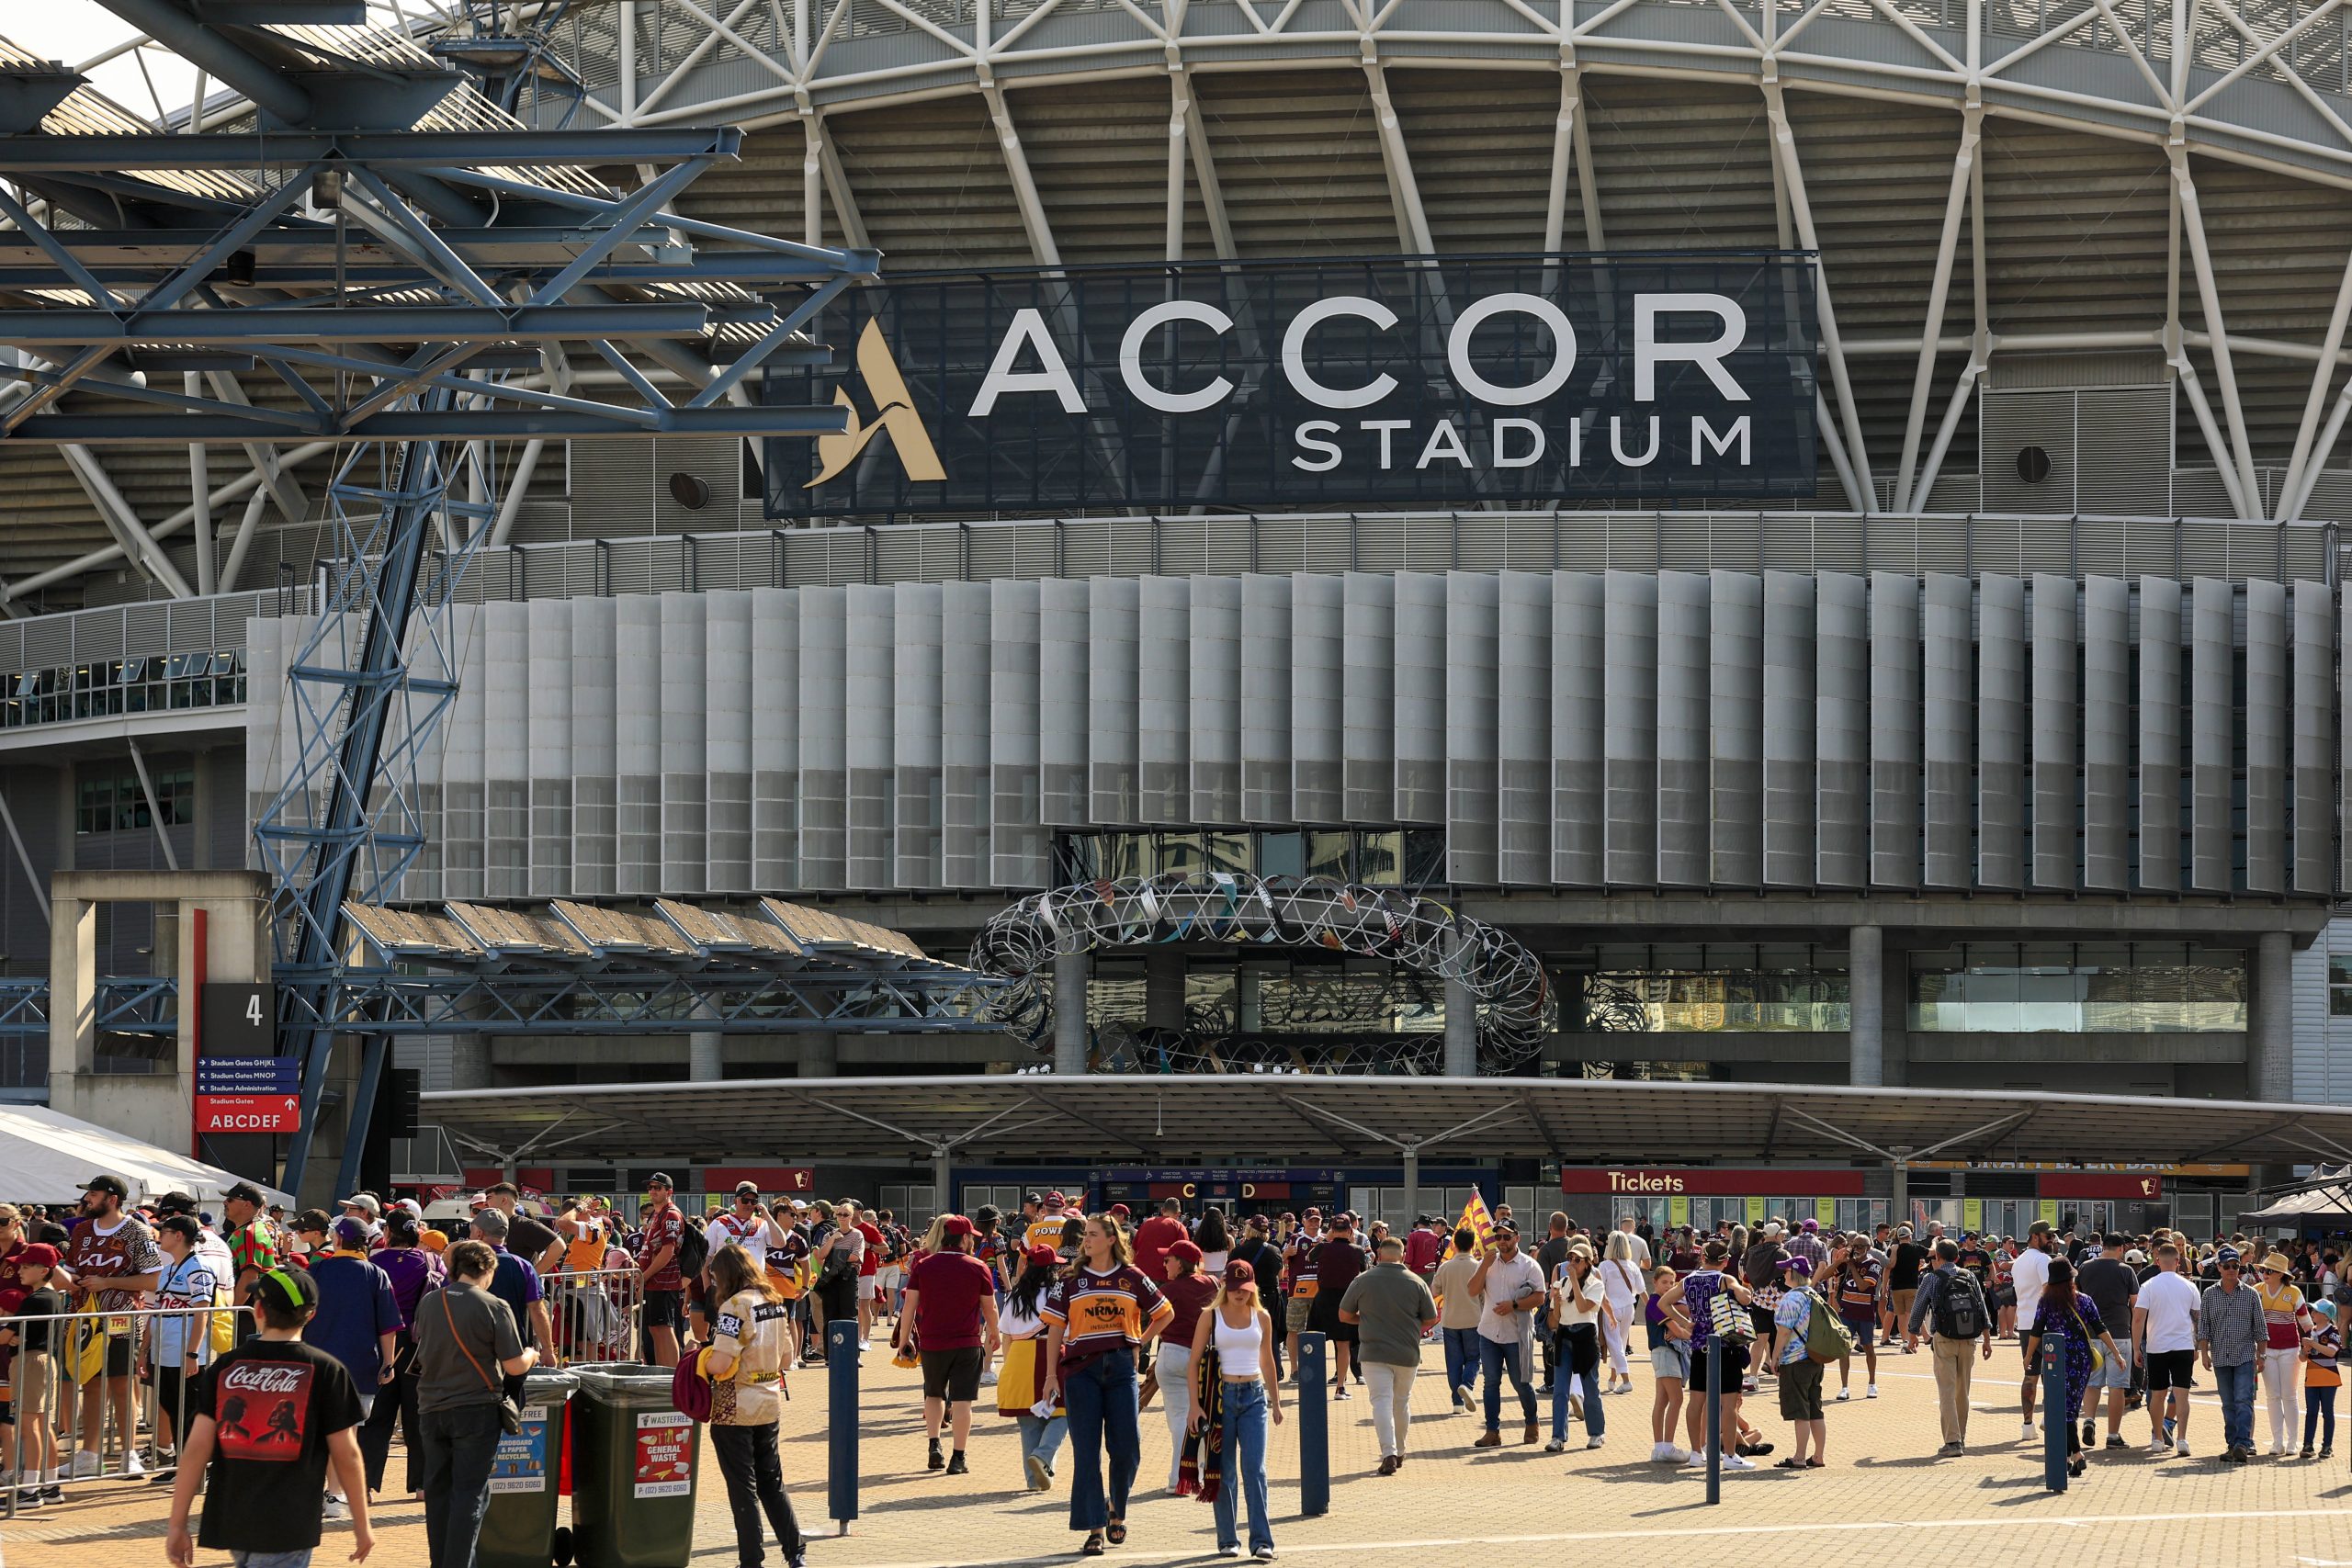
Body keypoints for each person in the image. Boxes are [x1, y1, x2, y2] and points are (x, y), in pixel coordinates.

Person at [164, 1267, 373, 1568]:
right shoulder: (327, 1370)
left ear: (258, 1309)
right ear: (311, 1315)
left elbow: (196, 1449)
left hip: (233, 1514)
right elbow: (347, 1454)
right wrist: (362, 1523)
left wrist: (177, 1523)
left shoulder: (226, 1366)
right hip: (290, 1518)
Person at [1042, 1214, 1171, 1557]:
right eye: (1085, 1234)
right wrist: (1050, 1376)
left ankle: (1117, 1506)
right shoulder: (1070, 1277)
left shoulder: (1132, 1276)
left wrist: (1140, 1342)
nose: (1086, 1240)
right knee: (1086, 1453)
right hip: (1080, 1371)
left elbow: (1165, 1312)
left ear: (1112, 1239)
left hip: (1120, 1370)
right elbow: (1055, 1327)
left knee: (1128, 1447)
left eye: (1093, 1234)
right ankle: (1095, 1528)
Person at [413, 1239, 538, 1568]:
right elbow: (513, 1365)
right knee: (469, 1495)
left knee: (438, 1494)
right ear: (487, 1269)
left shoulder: (429, 1302)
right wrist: (532, 1354)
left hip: (431, 1407)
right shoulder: (494, 1305)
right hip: (475, 1409)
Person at [699, 1243, 804, 1568]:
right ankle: (795, 1551)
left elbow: (719, 1363)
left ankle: (751, 1559)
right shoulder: (774, 1303)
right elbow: (787, 1357)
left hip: (734, 1406)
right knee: (772, 1482)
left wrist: (699, 1357)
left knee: (742, 1487)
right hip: (769, 1401)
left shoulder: (734, 1307)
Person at [65, 1171, 165, 1476]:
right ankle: (89, 1453)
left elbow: (152, 1278)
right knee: (91, 1385)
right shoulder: (82, 1230)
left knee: (122, 1384)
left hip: (122, 1318)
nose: (87, 1199)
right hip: (85, 1319)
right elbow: (70, 1270)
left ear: (111, 1199)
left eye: (93, 1194)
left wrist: (106, 1281)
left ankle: (129, 1453)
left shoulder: (137, 1231)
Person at [305, 1216, 401, 1517]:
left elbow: (299, 1313)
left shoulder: (317, 1269)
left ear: (336, 1240)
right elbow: (388, 1327)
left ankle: (312, 1496)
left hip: (316, 1364)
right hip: (360, 1366)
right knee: (347, 1433)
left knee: (317, 1432)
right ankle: (335, 1496)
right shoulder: (376, 1274)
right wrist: (389, 1363)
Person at [1185, 1258, 1281, 1561]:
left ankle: (1262, 1541)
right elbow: (1194, 1363)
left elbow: (1268, 1361)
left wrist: (1275, 1401)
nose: (1239, 1294)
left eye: (1245, 1289)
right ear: (1226, 1285)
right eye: (1235, 1288)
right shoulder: (1210, 1316)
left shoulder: (1261, 1316)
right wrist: (1194, 1406)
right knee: (1223, 1471)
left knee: (1255, 1470)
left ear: (1252, 1288)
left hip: (1253, 1396)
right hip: (1219, 1399)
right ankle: (1227, 1539)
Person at [902, 1213, 1001, 1476]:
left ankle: (934, 1445)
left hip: (933, 1341)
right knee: (962, 1401)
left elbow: (909, 1306)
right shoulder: (977, 1266)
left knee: (933, 1394)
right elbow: (989, 1307)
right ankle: (958, 1457)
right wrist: (995, 1333)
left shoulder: (924, 1265)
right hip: (967, 1342)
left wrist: (904, 1341)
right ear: (965, 1238)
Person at [362, 1209, 446, 1498]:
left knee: (377, 1416)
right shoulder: (431, 1261)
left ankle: (367, 1483)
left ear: (388, 1234)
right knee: (418, 1413)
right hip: (419, 1345)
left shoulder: (373, 1263)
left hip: (380, 1342)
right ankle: (422, 1484)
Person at [1337, 1233, 1437, 1473]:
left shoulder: (1363, 1280)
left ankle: (1388, 1452)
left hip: (1373, 1350)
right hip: (1407, 1352)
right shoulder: (1417, 1281)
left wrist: (1366, 1319)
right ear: (1403, 1256)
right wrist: (1413, 1328)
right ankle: (1401, 1451)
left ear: (1379, 1254)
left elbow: (1344, 1315)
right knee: (1401, 1402)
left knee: (1381, 1401)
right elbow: (1432, 1318)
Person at [1655, 1239, 1758, 1469]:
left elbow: (1664, 1303)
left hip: (1700, 1346)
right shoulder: (1724, 1278)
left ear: (1703, 1259)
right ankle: (1730, 1455)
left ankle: (1695, 1452)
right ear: (1725, 1261)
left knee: (1696, 1401)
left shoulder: (1690, 1280)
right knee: (1729, 1403)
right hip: (1726, 1345)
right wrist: (1742, 1290)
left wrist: (1687, 1323)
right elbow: (1744, 1297)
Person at [2022, 1257, 2123, 1479]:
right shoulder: (2085, 1300)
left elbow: (2037, 1330)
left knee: (2061, 1409)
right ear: (2071, 1279)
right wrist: (2115, 1353)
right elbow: (2099, 1327)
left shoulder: (2046, 1302)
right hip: (2081, 1358)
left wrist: (2028, 1356)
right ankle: (2068, 1457)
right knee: (2071, 1408)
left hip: (2056, 1358)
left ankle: (2076, 1454)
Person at [150, 1214, 221, 1477]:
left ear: (178, 1236)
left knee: (190, 1409)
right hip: (163, 1349)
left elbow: (202, 1312)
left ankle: (199, 1464)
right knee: (172, 1406)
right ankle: (184, 1462)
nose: (159, 1236)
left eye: (164, 1231)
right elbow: (156, 1310)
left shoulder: (199, 1267)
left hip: (184, 1352)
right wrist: (145, 1350)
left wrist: (192, 1353)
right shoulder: (168, 1268)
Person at [1909, 1237, 1996, 1455]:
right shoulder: (1968, 1275)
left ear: (1936, 1257)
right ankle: (1962, 1437)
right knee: (1962, 1391)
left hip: (1944, 1338)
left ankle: (1952, 1442)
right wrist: (1986, 1338)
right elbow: (1981, 1307)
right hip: (1969, 1339)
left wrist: (1913, 1334)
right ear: (1958, 1257)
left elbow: (1918, 1309)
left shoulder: (1931, 1278)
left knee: (1946, 1391)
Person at [1468, 1223, 1545, 1448]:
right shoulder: (1488, 1263)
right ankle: (1492, 1431)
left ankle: (1532, 1422)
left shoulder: (1529, 1265)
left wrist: (1514, 1304)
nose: (1501, 1241)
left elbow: (1540, 1297)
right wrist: (1484, 1265)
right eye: (1498, 1237)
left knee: (1521, 1383)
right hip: (1489, 1332)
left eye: (1506, 1236)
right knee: (1491, 1383)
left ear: (1517, 1238)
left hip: (1516, 1334)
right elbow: (1472, 1290)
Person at [1000, 1245, 1069, 1492]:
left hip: (1019, 1356)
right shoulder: (1059, 1293)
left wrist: (1009, 1365)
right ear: (1052, 1268)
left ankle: (1033, 1480)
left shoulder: (1015, 1295)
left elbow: (1006, 1336)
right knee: (1065, 1412)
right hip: (1052, 1355)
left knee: (1028, 1423)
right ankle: (1043, 1455)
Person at [1148, 1239, 1216, 1490]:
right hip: (1205, 1357)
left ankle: (1181, 1478)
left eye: (1169, 1259)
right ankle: (1195, 1472)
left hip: (1174, 1353)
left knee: (1179, 1419)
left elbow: (1153, 1319)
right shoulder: (1212, 1283)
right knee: (1198, 1416)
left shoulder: (1168, 1289)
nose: (1165, 1263)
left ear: (1181, 1263)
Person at [6, 1243, 62, 1506]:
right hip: (43, 1361)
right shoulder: (51, 1296)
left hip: (31, 1362)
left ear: (44, 1270)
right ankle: (50, 1485)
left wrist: (10, 1335)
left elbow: (6, 1335)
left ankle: (29, 1489)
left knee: (29, 1427)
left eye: (27, 1266)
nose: (20, 1270)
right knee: (42, 1425)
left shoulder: (36, 1299)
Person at [2133, 1241, 2201, 1457]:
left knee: (2158, 1395)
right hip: (2183, 1345)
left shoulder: (2149, 1286)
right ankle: (2182, 1438)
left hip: (2157, 1346)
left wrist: (2136, 1347)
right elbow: (2198, 1318)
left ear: (2157, 1261)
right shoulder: (2189, 1286)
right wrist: (2197, 1345)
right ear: (2178, 1261)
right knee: (2182, 1396)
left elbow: (2138, 1318)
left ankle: (2157, 1438)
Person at [2074, 1233, 2140, 1453]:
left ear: (2102, 1246)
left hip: (2091, 1333)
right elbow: (2134, 1303)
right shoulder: (2126, 1270)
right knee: (2117, 1386)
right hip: (2119, 1332)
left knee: (2092, 1383)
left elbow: (2078, 1297)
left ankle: (2089, 1420)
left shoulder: (2085, 1268)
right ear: (2121, 1249)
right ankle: (2113, 1435)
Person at [2200, 1247, 2265, 1463]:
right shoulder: (2209, 1294)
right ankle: (2232, 1444)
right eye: (2226, 1266)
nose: (2231, 1270)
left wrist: (2261, 1355)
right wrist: (2204, 1353)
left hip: (2245, 1356)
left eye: (2235, 1266)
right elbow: (2204, 1326)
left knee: (2243, 1400)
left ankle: (2243, 1444)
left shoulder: (2251, 1294)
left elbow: (2261, 1329)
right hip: (2220, 1356)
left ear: (2240, 1267)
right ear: (2218, 1267)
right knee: (2228, 1403)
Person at [1544, 1240, 1608, 1454]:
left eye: (1577, 1260)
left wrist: (1573, 1280)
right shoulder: (1562, 1283)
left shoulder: (1595, 1284)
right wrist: (1556, 1303)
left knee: (1591, 1388)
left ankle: (1596, 1433)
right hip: (1565, 1336)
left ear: (1588, 1263)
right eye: (1570, 1258)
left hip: (1585, 1337)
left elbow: (1583, 1307)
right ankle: (1557, 1437)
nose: (1572, 1263)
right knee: (1560, 1390)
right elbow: (1554, 1322)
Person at [1770, 1256, 1826, 1470]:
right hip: (1815, 1357)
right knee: (1815, 1408)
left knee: (1800, 1410)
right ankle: (1818, 1456)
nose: (1783, 1274)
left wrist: (1774, 1358)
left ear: (1793, 1273)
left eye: (1785, 1271)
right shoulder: (1814, 1295)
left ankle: (1799, 1457)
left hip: (1795, 1359)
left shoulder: (1791, 1298)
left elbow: (1783, 1333)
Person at [1306, 1213, 1367, 1398]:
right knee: (1343, 1345)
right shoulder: (1357, 1250)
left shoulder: (1323, 1247)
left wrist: (1327, 1239)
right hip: (1347, 1300)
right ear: (1350, 1231)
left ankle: (1312, 1385)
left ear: (1332, 1230)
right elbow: (1364, 1271)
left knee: (1315, 1343)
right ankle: (1340, 1387)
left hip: (1323, 1298)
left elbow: (1309, 1258)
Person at [2256, 1250, 2312, 1458]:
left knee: (2289, 1395)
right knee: (2272, 1396)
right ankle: (2277, 1441)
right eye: (2264, 1270)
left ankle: (2292, 1441)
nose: (2265, 1274)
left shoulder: (2295, 1293)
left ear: (2281, 1274)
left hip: (2290, 1349)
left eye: (2269, 1271)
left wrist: (2312, 1344)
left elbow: (2306, 1324)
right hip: (2267, 1350)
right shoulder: (2256, 1291)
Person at [635, 1174, 687, 1368]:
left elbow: (668, 1252)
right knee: (655, 1329)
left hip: (664, 1282)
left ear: (669, 1191)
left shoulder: (671, 1214)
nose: (653, 1191)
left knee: (665, 1328)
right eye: (650, 1187)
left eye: (658, 1187)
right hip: (653, 1283)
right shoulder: (656, 1214)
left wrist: (644, 1276)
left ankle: (673, 1375)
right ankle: (661, 1372)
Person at [1823, 1232, 1881, 1401]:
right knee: (1844, 1350)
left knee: (1868, 1348)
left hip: (1865, 1313)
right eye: (1854, 1246)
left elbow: (1863, 1286)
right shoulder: (1848, 1263)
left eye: (1860, 1246)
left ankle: (1872, 1384)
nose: (1856, 1249)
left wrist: (1852, 1266)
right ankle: (1844, 1387)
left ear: (1868, 1248)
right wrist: (1840, 1262)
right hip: (1846, 1312)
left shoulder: (1874, 1264)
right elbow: (1825, 1276)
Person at [1430, 1228, 1484, 1414]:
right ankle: (1467, 1384)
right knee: (1474, 1358)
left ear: (1454, 1244)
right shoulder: (1478, 1266)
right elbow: (1485, 1295)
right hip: (1474, 1319)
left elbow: (1434, 1291)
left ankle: (1457, 1403)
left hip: (1450, 1320)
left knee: (1453, 1362)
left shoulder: (1445, 1267)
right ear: (1473, 1244)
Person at [1644, 1264, 1692, 1463]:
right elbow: (1677, 1329)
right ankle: (1668, 1447)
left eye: (1672, 1283)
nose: (1668, 1286)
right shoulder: (1656, 1302)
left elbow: (1677, 1327)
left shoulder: (1665, 1304)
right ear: (1654, 1282)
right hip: (1664, 1352)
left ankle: (1659, 1448)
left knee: (1662, 1401)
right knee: (1677, 1399)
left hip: (1663, 1352)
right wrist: (1693, 1334)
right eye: (1664, 1282)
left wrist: (1680, 1329)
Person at [2012, 1222, 2055, 1440]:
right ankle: (2050, 1419)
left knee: (2030, 1375)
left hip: (2026, 1324)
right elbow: (2049, 1290)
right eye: (2048, 1236)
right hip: (2046, 1324)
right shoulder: (2043, 1260)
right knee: (2053, 1375)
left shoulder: (2018, 1262)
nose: (2052, 1240)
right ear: (2035, 1236)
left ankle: (2027, 1425)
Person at [813, 1201, 866, 1367]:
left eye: (845, 1215)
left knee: (849, 1315)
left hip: (848, 1277)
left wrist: (834, 1257)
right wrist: (834, 1240)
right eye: (839, 1214)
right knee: (830, 1317)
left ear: (851, 1217)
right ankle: (830, 1356)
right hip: (831, 1279)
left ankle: (852, 1355)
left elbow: (856, 1257)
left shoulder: (857, 1235)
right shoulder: (830, 1235)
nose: (842, 1218)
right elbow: (821, 1255)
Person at [1599, 1230, 1644, 1394]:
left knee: (1615, 1344)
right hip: (1628, 1307)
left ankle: (1625, 1380)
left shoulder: (1604, 1266)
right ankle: (1613, 1378)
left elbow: (1599, 1289)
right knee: (1620, 1343)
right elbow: (1640, 1290)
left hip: (1611, 1308)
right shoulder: (1632, 1265)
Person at [2303, 1298, 2340, 1459]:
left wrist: (2312, 1344)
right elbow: (2302, 1359)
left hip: (2328, 1377)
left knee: (2327, 1412)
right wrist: (2305, 1351)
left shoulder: (2333, 1332)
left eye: (2317, 1311)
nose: (2313, 1313)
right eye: (2313, 1310)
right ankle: (2308, 1444)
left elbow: (2331, 1352)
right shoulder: (2310, 1331)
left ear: (2326, 1316)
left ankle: (2327, 1446)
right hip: (2311, 1376)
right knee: (2311, 1411)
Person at [1886, 1224, 1928, 1353]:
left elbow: (1888, 1268)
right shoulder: (1916, 1248)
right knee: (1912, 1314)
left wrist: (1884, 1286)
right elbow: (1932, 1252)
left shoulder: (1893, 1249)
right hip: (1912, 1286)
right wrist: (1934, 1242)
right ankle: (1912, 1339)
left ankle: (1905, 1341)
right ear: (1910, 1236)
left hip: (1896, 1286)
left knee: (1900, 1316)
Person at [1134, 1199, 1188, 1286]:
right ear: (1178, 1213)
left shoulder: (1146, 1223)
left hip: (1142, 1275)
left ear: (1162, 1210)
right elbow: (1185, 1254)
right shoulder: (1179, 1227)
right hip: (1166, 1277)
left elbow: (1134, 1249)